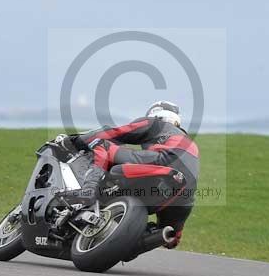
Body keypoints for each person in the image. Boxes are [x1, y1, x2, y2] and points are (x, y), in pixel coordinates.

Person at [60, 101, 199, 249]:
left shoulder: (154, 123)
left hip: (162, 164)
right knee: (168, 237)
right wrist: (173, 235)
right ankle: (136, 243)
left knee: (102, 145)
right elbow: (172, 241)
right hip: (184, 194)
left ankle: (87, 191)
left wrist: (73, 141)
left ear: (155, 114)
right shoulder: (190, 143)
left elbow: (113, 133)